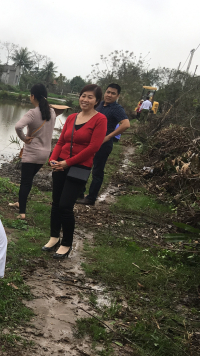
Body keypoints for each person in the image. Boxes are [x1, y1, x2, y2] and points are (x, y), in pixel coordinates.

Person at [41, 84, 107, 259]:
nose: (85, 99)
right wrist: (53, 160)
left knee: (65, 206)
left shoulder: (100, 119)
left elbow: (93, 147)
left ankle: (66, 243)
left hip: (80, 166)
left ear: (97, 101)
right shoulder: (71, 118)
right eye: (83, 95)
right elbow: (61, 141)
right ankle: (54, 237)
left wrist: (67, 163)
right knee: (55, 204)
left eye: (90, 97)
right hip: (60, 164)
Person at [8, 83, 57, 220]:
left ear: (33, 96)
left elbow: (18, 126)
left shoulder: (32, 113)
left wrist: (24, 138)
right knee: (28, 180)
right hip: (45, 153)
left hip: (32, 152)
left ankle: (22, 212)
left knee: (25, 182)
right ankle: (20, 202)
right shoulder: (52, 112)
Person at [78, 83, 130, 206]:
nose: (109, 95)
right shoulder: (99, 104)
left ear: (118, 96)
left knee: (97, 171)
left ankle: (91, 198)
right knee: (83, 166)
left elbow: (126, 124)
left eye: (113, 93)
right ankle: (79, 193)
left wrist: (109, 136)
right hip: (89, 142)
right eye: (108, 92)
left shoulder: (117, 109)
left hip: (103, 145)